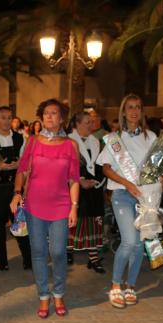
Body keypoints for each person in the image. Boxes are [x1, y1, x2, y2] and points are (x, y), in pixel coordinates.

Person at [10, 98, 79, 318]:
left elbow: (74, 179)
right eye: (46, 113)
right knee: (38, 253)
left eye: (54, 113)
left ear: (62, 118)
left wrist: (74, 207)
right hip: (34, 205)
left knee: (58, 252)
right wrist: (17, 194)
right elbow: (21, 170)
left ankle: (58, 292)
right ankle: (43, 296)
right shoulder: (33, 141)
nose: (49, 116)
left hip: (61, 206)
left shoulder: (71, 145)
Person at [96, 93, 156, 309]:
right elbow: (105, 168)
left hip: (145, 196)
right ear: (123, 111)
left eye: (138, 107)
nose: (134, 111)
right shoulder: (115, 138)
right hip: (122, 194)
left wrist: (162, 178)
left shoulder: (151, 137)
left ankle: (130, 285)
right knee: (129, 241)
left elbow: (157, 166)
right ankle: (115, 285)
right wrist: (127, 184)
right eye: (130, 107)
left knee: (140, 244)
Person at [0, 106, 32, 271]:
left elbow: (27, 161)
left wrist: (19, 164)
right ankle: (2, 262)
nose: (6, 121)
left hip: (15, 187)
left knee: (20, 222)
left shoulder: (20, 138)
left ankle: (28, 259)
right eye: (3, 117)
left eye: (9, 117)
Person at [67, 111, 105, 273]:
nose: (91, 125)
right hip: (74, 187)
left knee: (93, 223)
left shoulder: (95, 141)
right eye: (87, 122)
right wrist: (81, 181)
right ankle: (67, 252)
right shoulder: (69, 141)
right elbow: (67, 166)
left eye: (92, 122)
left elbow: (101, 165)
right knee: (73, 221)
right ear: (77, 124)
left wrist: (96, 181)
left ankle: (94, 258)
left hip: (94, 188)